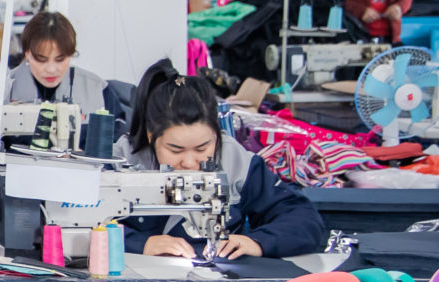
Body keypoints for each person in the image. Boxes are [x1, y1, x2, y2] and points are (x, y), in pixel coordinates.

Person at [121, 65, 326, 260]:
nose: (190, 162)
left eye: (202, 148)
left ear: (217, 135)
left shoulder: (234, 160)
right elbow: (90, 228)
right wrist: (139, 243)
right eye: (176, 150)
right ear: (150, 136)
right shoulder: (120, 160)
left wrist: (257, 242)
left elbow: (304, 220)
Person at [1, 11, 107, 109]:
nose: (51, 69)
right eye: (41, 60)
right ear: (27, 53)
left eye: (60, 59)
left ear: (71, 54)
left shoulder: (98, 90)